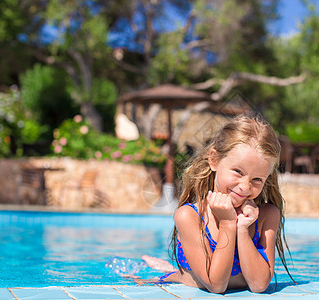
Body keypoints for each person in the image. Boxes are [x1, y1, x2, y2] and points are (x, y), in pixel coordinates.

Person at [113, 115, 293, 293]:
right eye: (238, 171)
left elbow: (259, 285)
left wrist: (243, 229)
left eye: (257, 179)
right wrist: (228, 223)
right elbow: (216, 285)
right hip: (175, 283)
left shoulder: (267, 215)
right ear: (214, 160)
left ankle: (167, 267)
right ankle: (167, 270)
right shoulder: (189, 216)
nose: (245, 187)